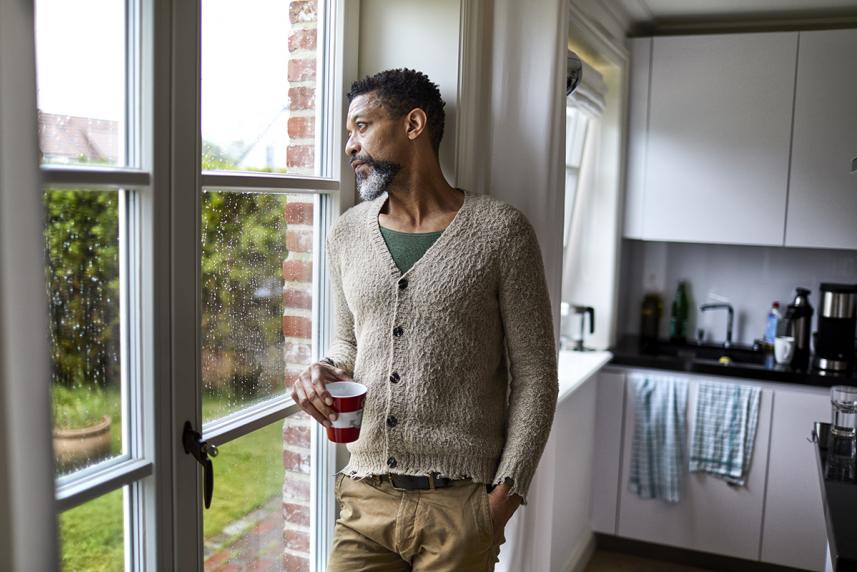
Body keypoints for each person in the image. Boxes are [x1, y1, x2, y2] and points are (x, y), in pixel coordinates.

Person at [291, 68, 558, 572]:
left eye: (362, 126)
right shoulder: (347, 233)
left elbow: (537, 375)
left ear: (413, 124)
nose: (350, 146)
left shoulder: (501, 231)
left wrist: (502, 501)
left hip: (460, 507)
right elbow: (349, 343)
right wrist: (325, 369)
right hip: (364, 497)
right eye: (349, 132)